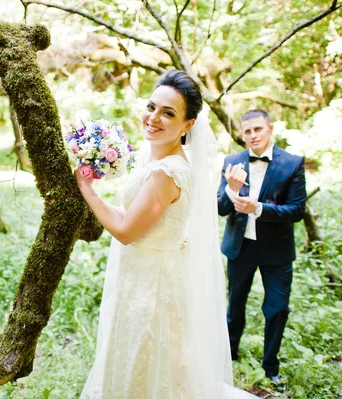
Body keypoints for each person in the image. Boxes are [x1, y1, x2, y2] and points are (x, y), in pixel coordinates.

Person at [77, 70, 257, 398]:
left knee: (147, 360)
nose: (154, 117)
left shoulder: (168, 172)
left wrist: (86, 189)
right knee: (140, 359)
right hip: (143, 275)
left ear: (188, 125)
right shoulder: (155, 160)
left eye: (168, 113)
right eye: (151, 107)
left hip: (152, 284)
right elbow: (134, 218)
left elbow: (127, 231)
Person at [217, 109, 307, 388]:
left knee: (277, 308)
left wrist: (259, 208)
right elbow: (220, 208)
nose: (253, 135)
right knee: (235, 306)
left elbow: (296, 210)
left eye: (258, 129)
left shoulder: (292, 163)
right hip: (240, 247)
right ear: (242, 135)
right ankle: (229, 357)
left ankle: (271, 367)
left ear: (270, 129)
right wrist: (231, 190)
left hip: (276, 252)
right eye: (247, 131)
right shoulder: (232, 161)